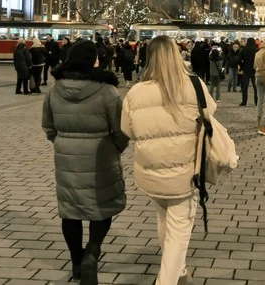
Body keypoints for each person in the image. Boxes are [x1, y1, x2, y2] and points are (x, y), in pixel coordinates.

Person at [121, 35, 216, 285]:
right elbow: (210, 114)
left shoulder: (136, 91)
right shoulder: (193, 85)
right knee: (179, 232)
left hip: (151, 173)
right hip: (185, 174)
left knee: (165, 220)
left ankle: (181, 270)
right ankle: (169, 280)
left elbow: (127, 129)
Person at [42, 40, 128, 283]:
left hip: (67, 158)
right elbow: (121, 128)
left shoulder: (55, 88)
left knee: (70, 212)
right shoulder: (106, 91)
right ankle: (92, 252)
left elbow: (48, 126)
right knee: (101, 209)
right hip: (101, 156)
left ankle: (77, 263)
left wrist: (61, 143)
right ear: (92, 60)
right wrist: (116, 147)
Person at [238, 38, 259, 107]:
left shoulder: (244, 49)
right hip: (255, 70)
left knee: (244, 87)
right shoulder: (257, 50)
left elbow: (239, 60)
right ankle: (257, 101)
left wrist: (242, 66)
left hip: (246, 70)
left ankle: (244, 101)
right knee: (256, 87)